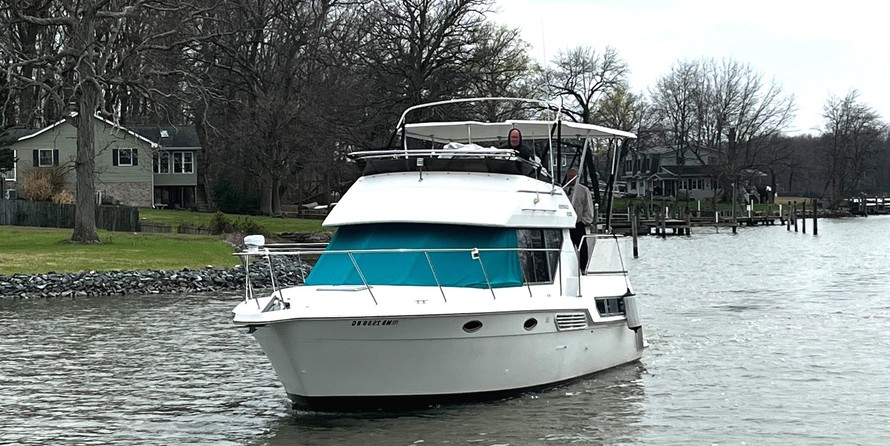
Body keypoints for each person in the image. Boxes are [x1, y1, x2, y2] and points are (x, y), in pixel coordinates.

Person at [564, 168, 594, 270]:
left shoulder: (584, 191)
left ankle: (583, 268)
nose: (570, 179)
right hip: (565, 225)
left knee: (582, 248)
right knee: (567, 247)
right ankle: (568, 268)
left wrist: (585, 221)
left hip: (578, 223)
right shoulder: (562, 190)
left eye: (572, 177)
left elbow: (588, 207)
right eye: (569, 177)